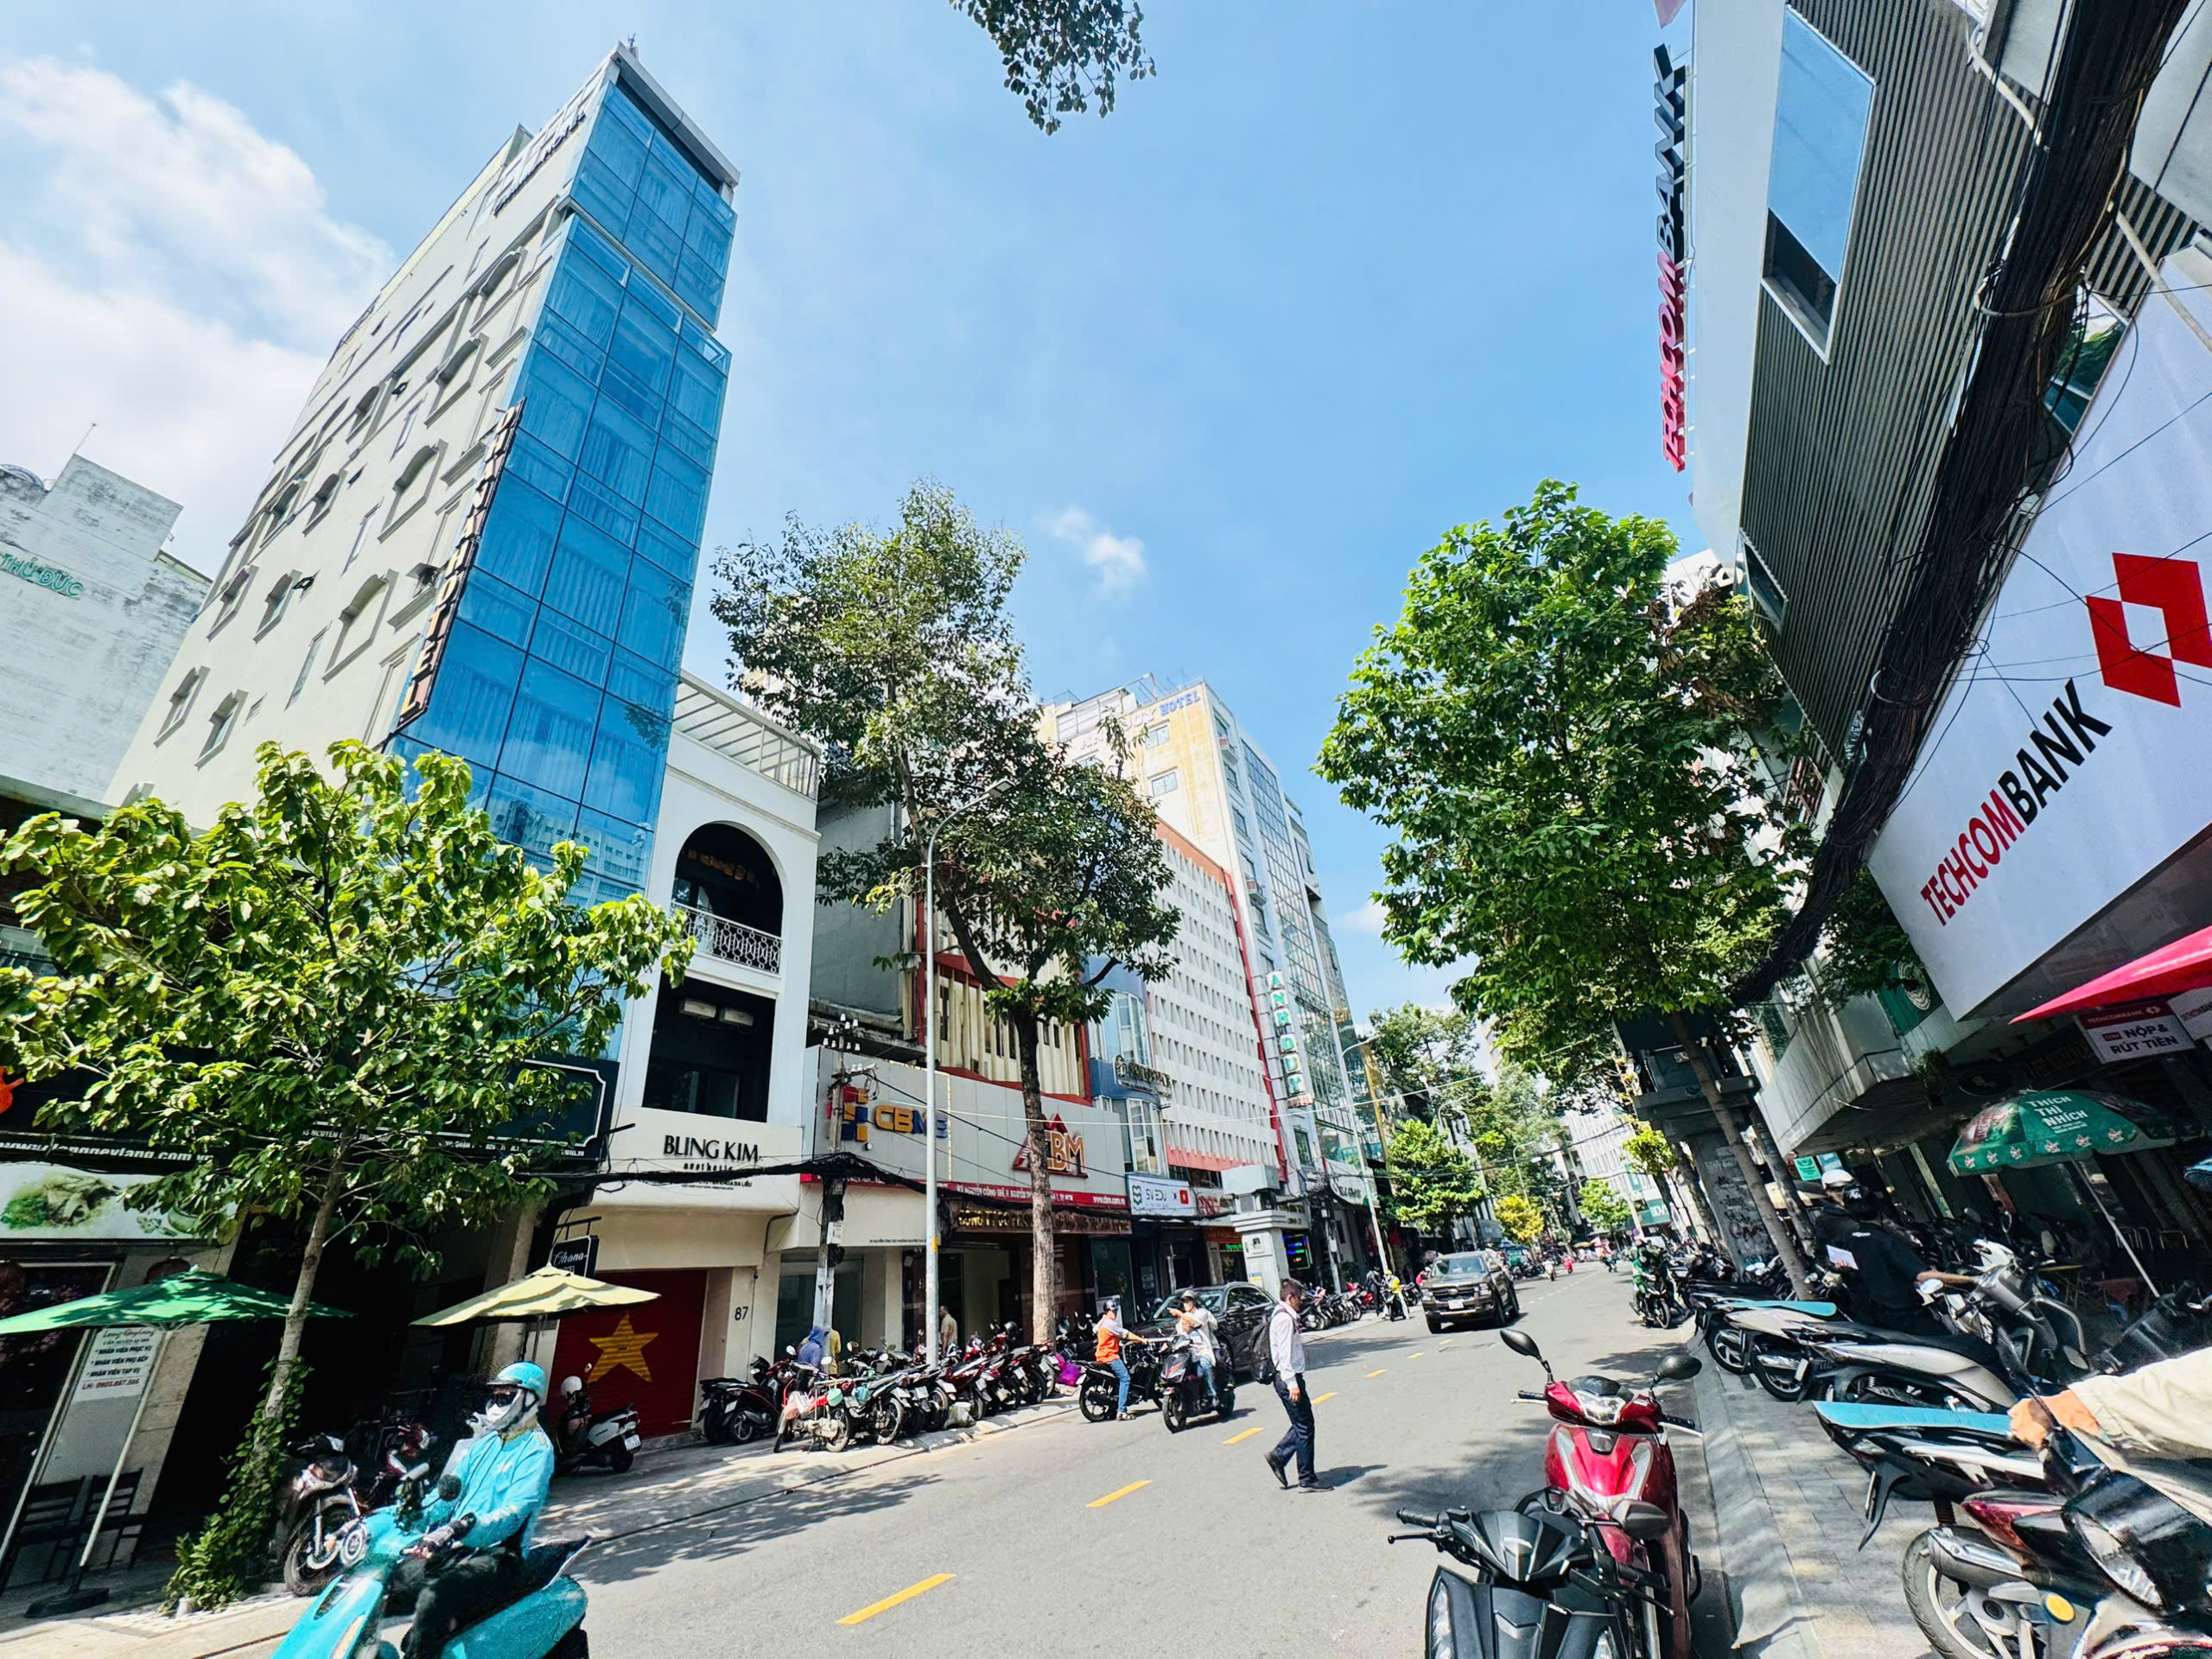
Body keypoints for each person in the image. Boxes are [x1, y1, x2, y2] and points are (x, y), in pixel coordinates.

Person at [391, 1361, 556, 1659]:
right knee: (394, 1580)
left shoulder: (537, 1450)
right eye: (495, 1396)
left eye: (506, 1396)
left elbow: (513, 1514)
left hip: (500, 1556)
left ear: (530, 1399)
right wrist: (410, 1513)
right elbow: (447, 1495)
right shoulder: (485, 1444)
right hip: (459, 1545)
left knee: (434, 1598)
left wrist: (461, 1526)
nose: (497, 1403)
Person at [1262, 1280, 1320, 1491]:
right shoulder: (1284, 1319)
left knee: (1303, 1424)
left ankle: (1279, 1456)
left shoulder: (1283, 1315)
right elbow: (1285, 1355)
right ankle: (1306, 1479)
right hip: (1288, 1379)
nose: (1301, 1302)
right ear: (1290, 1297)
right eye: (1299, 1298)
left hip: (1288, 1378)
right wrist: (1292, 1384)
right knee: (1304, 1427)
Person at [1094, 1299, 1150, 1420]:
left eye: (1115, 1311)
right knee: (1125, 1378)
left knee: (1116, 1379)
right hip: (1110, 1356)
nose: (1114, 1313)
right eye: (1112, 1311)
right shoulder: (1110, 1324)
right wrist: (1141, 1339)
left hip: (1101, 1355)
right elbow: (1126, 1334)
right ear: (1107, 1311)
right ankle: (1122, 1411)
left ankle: (1113, 1407)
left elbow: (1096, 1330)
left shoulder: (1102, 1321)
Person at [1174, 1290, 1220, 1401]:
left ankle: (1212, 1394)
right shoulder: (1184, 1317)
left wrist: (1180, 1314)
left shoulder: (1202, 1313)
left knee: (1204, 1367)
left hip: (1203, 1351)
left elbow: (1195, 1322)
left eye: (1187, 1301)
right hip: (1189, 1354)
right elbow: (1179, 1333)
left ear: (1193, 1302)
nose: (1185, 1304)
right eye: (1184, 1301)